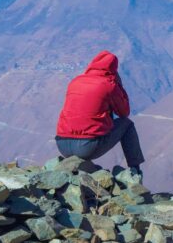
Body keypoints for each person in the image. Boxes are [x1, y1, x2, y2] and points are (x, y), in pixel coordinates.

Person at [55, 50, 145, 181]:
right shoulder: (108, 85)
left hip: (62, 144)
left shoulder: (75, 82)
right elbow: (124, 112)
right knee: (127, 124)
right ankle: (135, 171)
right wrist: (118, 85)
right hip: (86, 148)